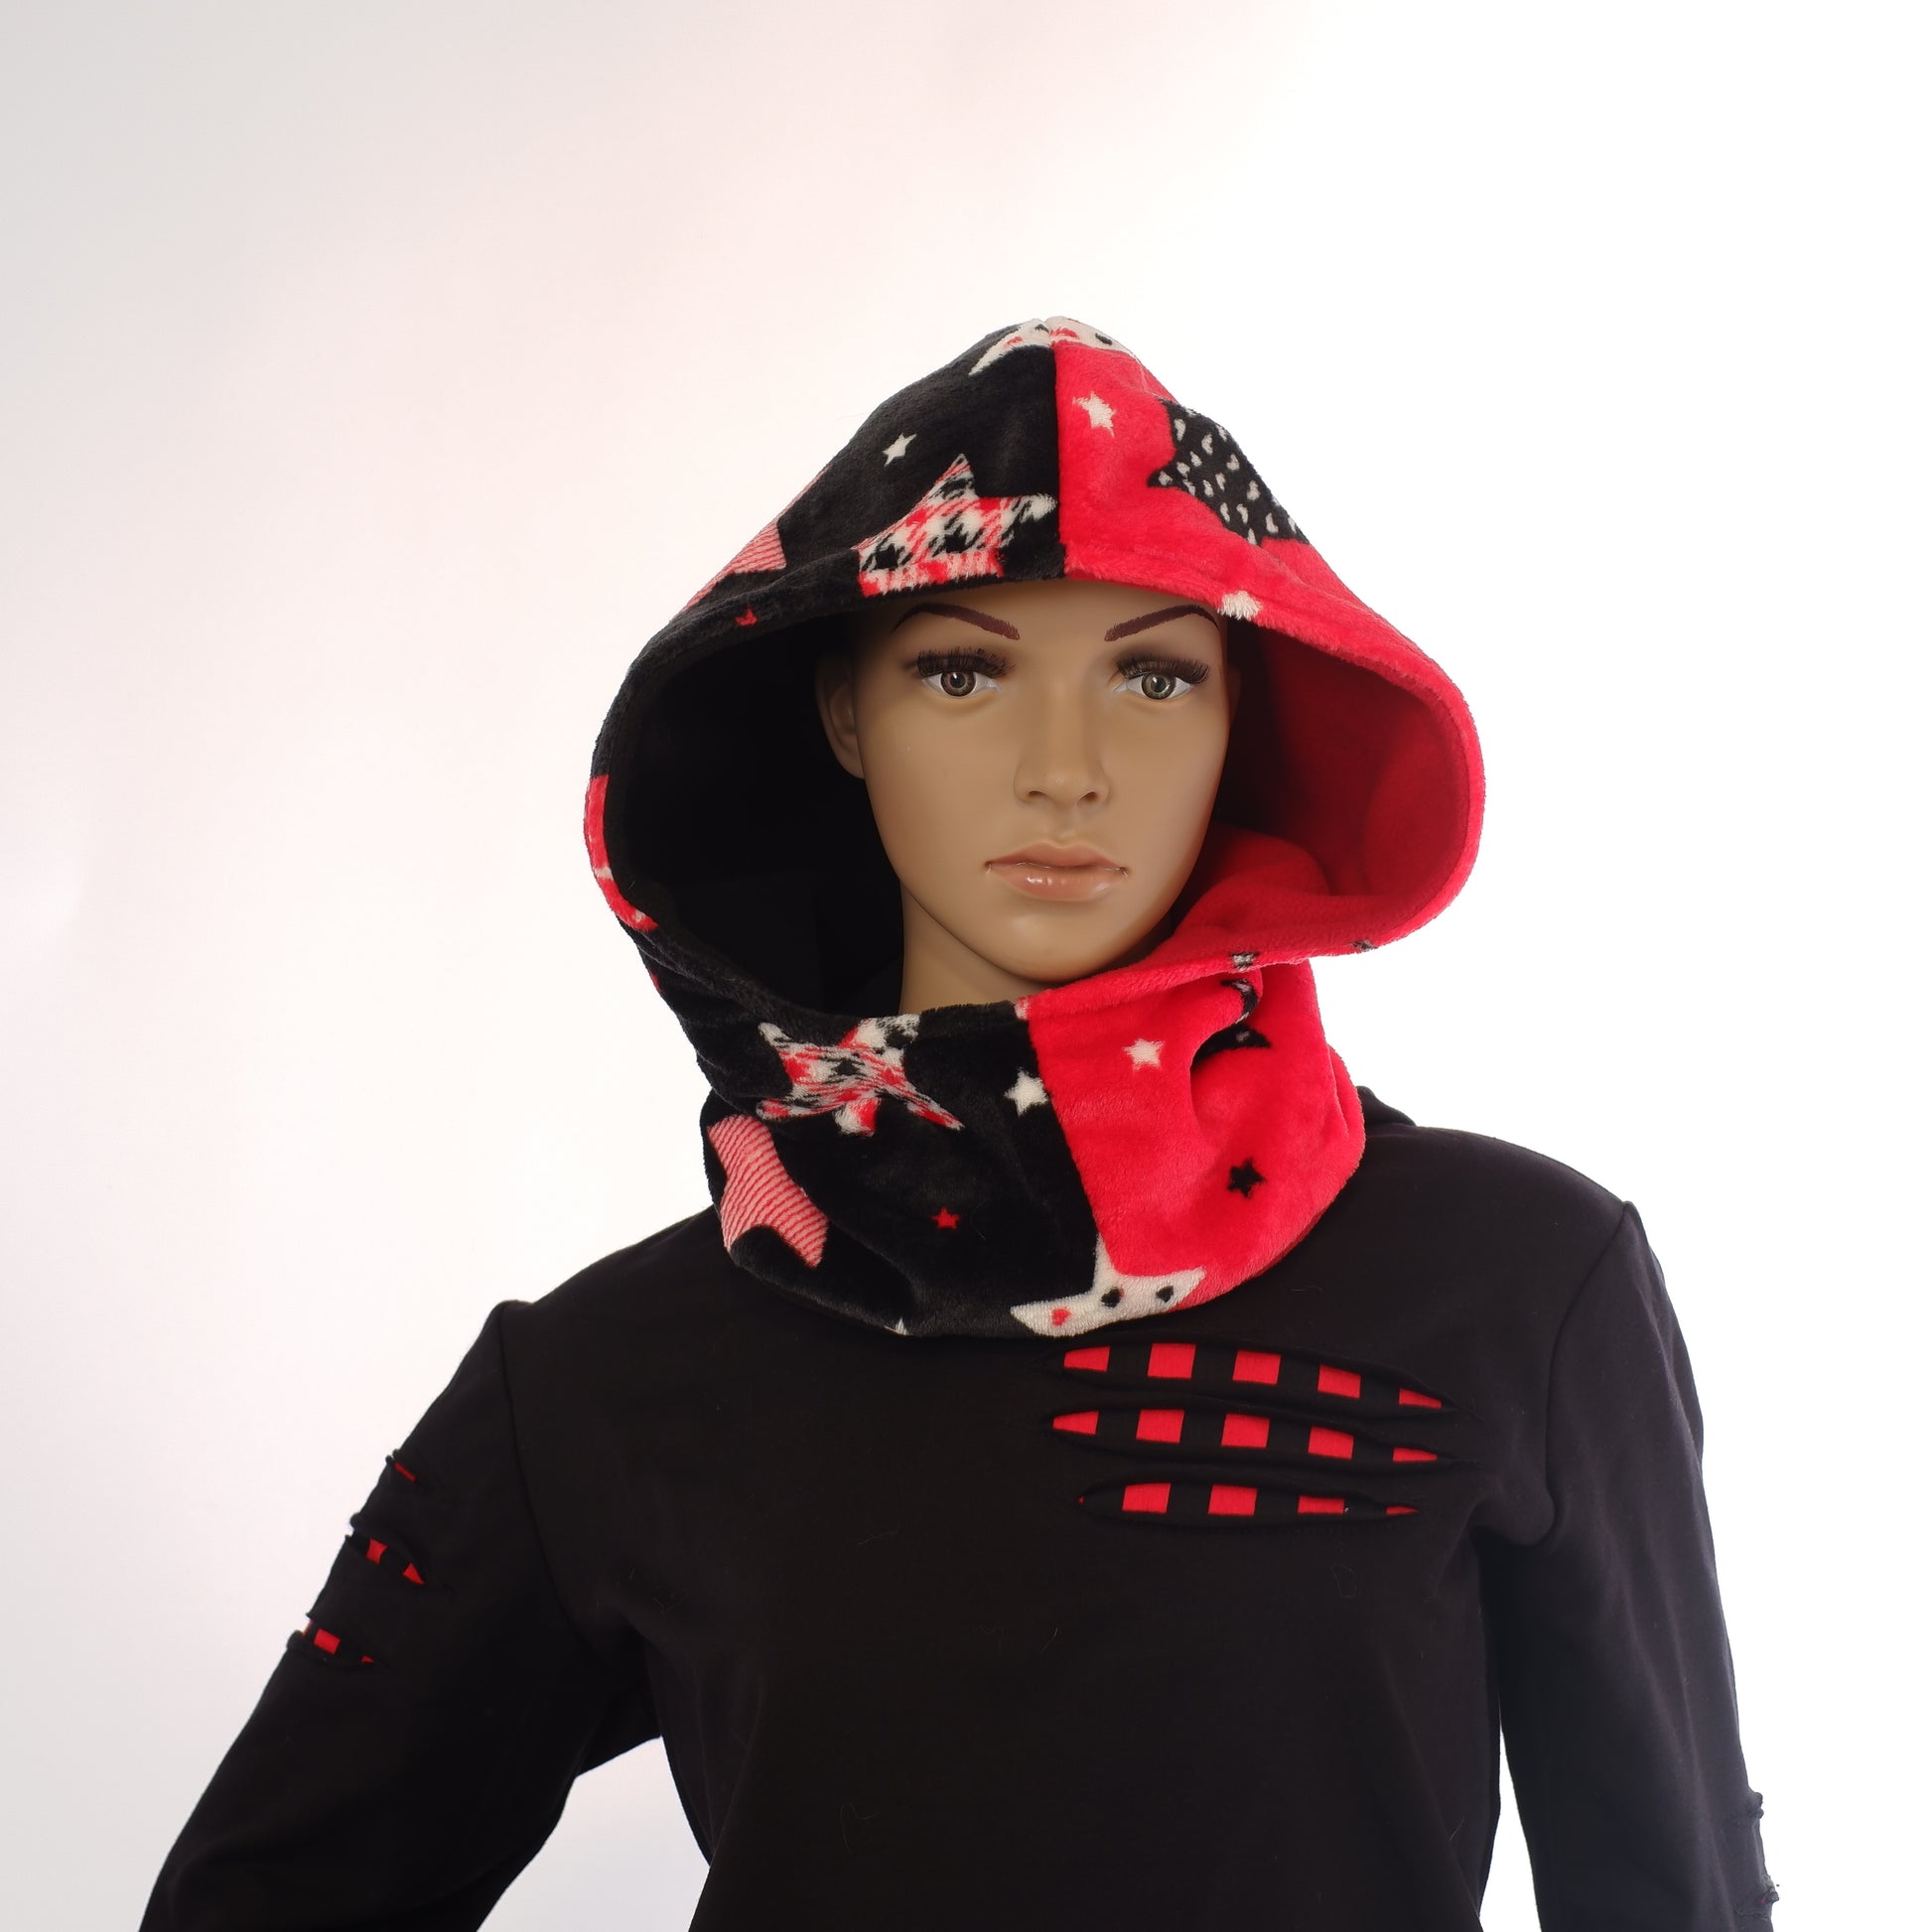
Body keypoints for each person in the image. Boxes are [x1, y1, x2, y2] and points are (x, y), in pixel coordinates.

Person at [140, 317, 1776, 1929]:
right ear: (844, 713)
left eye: (1153, 673)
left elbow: (1675, 1894)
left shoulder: (1517, 1287)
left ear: (1243, 720)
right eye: (961, 669)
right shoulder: (600, 1379)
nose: (1065, 767)